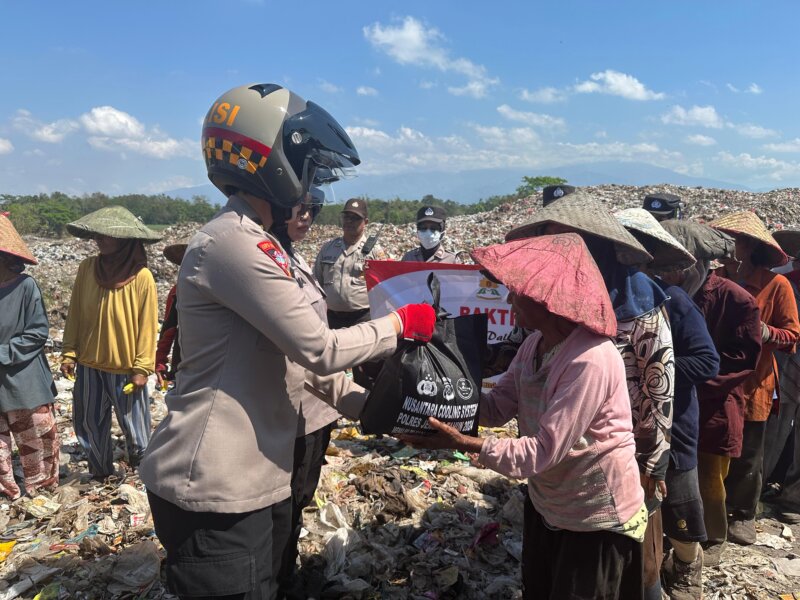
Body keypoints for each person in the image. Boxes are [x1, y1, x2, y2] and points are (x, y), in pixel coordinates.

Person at [139, 83, 435, 600]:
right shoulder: (235, 243)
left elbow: (296, 363)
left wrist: (370, 407)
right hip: (216, 485)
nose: (312, 183)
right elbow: (318, 346)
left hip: (260, 475)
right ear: (270, 159)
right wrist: (397, 326)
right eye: (309, 166)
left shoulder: (269, 244)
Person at [402, 233, 647, 599]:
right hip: (549, 501)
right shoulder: (535, 344)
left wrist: (466, 443)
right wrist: (439, 401)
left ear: (548, 300)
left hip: (592, 514)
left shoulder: (590, 358)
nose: (510, 299)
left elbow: (541, 451)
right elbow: (499, 406)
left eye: (518, 292)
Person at [506, 191, 673, 600]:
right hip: (563, 458)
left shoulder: (639, 306)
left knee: (633, 562)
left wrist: (652, 463)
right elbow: (524, 370)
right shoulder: (549, 312)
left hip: (620, 455)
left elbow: (659, 391)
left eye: (567, 243)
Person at [617, 209, 720, 599]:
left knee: (680, 507)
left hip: (672, 424)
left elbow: (708, 360)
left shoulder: (671, 300)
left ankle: (687, 565)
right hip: (628, 427)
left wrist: (656, 368)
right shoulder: (610, 300)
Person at [661, 219, 762, 565]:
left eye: (680, 265)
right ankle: (677, 538)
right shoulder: (661, 295)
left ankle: (712, 538)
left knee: (708, 477)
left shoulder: (736, 299)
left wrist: (692, 383)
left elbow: (741, 358)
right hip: (668, 402)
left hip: (716, 401)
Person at [709, 211, 800, 545]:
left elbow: (792, 334)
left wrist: (765, 332)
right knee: (714, 449)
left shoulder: (776, 286)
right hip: (715, 381)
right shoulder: (713, 279)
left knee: (748, 453)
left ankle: (742, 514)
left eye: (733, 240)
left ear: (748, 247)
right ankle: (712, 512)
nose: (726, 246)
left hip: (754, 383)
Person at [270, 190, 342, 599]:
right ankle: (278, 581)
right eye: (300, 208)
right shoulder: (267, 262)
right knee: (284, 502)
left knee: (300, 497)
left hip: (318, 406)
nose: (307, 216)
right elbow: (316, 346)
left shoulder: (294, 258)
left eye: (313, 210)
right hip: (291, 406)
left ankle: (286, 572)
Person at [59, 206, 160, 478]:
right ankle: (100, 472)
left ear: (125, 241)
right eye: (97, 236)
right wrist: (69, 352)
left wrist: (142, 368)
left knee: (135, 427)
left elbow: (147, 326)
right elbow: (76, 312)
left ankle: (144, 474)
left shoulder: (142, 277)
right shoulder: (88, 268)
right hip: (90, 364)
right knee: (90, 423)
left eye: (106, 236)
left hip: (125, 369)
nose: (99, 240)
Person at [0, 214, 59, 499]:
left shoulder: (25, 287)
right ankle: (8, 495)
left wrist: (3, 352)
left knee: (35, 442)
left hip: (23, 380)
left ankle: (41, 492)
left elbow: (37, 333)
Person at [315, 197, 387, 388]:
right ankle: (332, 416)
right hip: (333, 320)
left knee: (367, 373)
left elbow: (384, 288)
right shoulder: (328, 249)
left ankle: (367, 414)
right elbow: (317, 283)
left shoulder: (374, 252)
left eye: (355, 218)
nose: (349, 222)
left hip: (362, 318)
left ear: (366, 222)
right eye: (346, 217)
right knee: (330, 374)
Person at [155, 238, 189, 389]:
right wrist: (160, 363)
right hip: (182, 362)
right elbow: (168, 328)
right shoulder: (178, 291)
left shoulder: (223, 292)